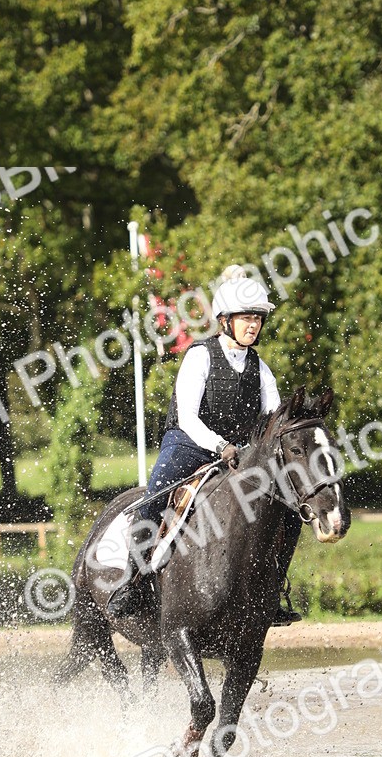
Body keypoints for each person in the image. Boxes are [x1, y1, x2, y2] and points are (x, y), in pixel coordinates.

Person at [107, 264, 302, 623]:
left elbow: (275, 420)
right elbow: (188, 419)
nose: (253, 325)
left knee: (288, 512)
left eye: (257, 319)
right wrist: (220, 446)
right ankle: (131, 583)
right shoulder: (199, 356)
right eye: (246, 318)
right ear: (225, 320)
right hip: (189, 446)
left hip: (239, 455)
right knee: (154, 499)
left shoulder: (262, 369)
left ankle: (272, 592)